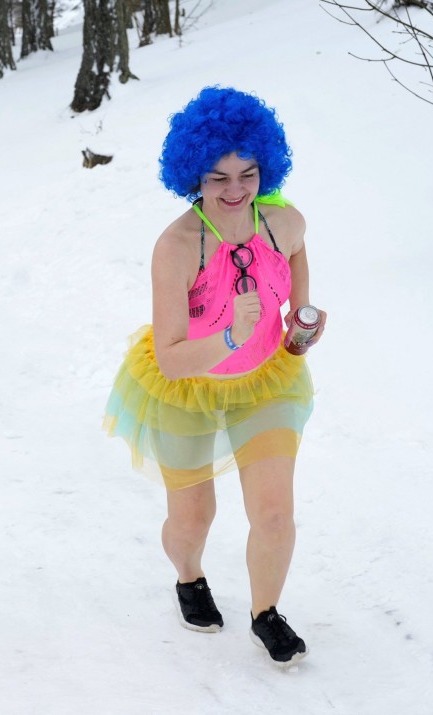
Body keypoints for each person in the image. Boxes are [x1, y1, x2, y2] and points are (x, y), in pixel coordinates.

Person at [103, 86, 327, 667]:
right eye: (217, 178)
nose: (235, 191)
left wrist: (301, 319)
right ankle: (188, 575)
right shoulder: (177, 247)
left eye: (247, 175)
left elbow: (298, 255)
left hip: (265, 383)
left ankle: (265, 613)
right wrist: (229, 333)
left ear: (264, 169)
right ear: (192, 176)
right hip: (186, 388)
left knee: (275, 512)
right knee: (193, 516)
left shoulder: (283, 223)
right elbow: (172, 358)